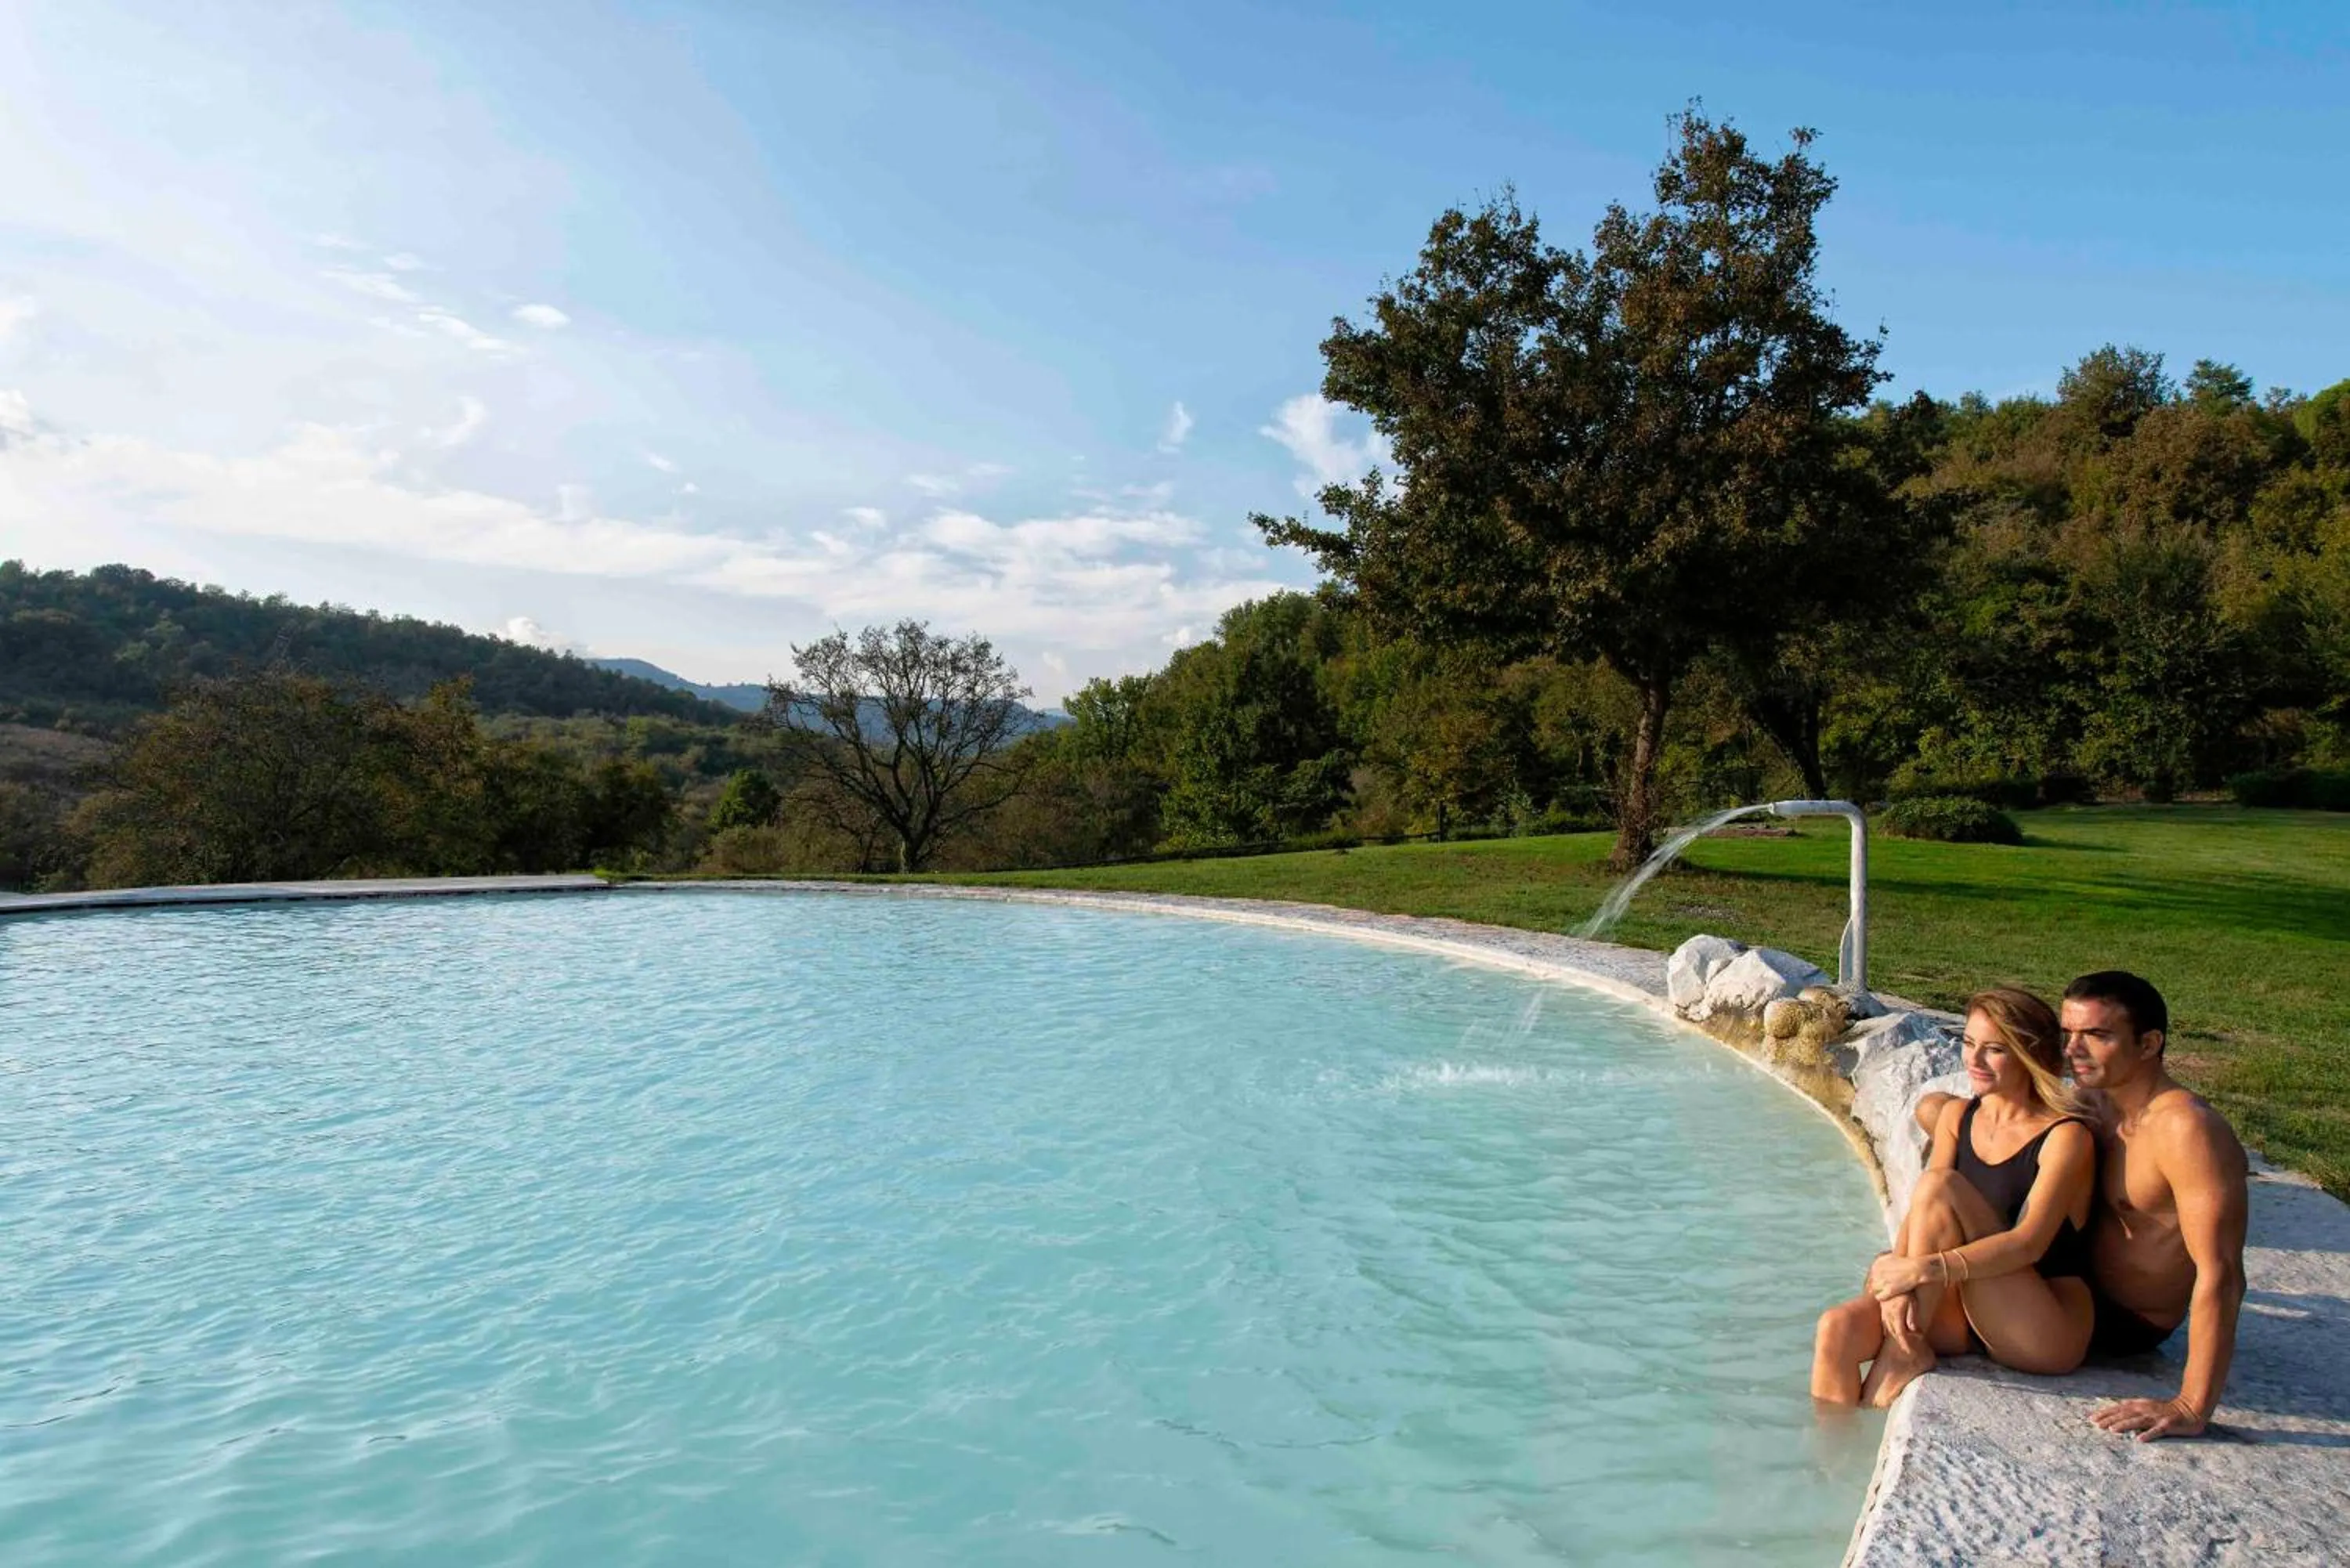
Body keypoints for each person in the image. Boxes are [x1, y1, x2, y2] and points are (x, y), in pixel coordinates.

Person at [1812, 988, 2097, 1408]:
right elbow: (1927, 1217)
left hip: (2040, 1324)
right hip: (1963, 1303)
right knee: (1836, 1329)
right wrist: (1896, 1271)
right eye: (1968, 1043)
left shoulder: (2065, 1137)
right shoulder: (1957, 1117)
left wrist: (1918, 1270)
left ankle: (1902, 1351)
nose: (1974, 1061)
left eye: (1995, 1050)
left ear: (2029, 1056)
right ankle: (1830, 1464)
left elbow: (2029, 1244)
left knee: (1939, 1184)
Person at [2060, 970, 2249, 1441]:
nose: (2073, 1050)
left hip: (2126, 1320)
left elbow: (2222, 1272)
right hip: (2074, 1281)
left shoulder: (2188, 1130)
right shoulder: (2095, 1100)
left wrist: (2191, 1404)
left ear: (2148, 1044)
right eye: (2069, 1034)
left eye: (2097, 1035)